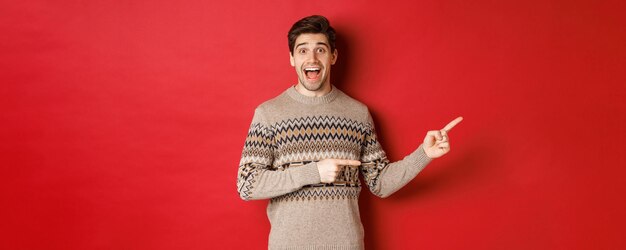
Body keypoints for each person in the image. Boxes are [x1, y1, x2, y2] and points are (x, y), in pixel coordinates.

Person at [237, 15, 463, 250]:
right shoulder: (269, 114)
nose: (312, 58)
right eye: (302, 51)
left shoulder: (357, 114)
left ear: (333, 56)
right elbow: (246, 184)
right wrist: (314, 172)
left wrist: (424, 153)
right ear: (292, 58)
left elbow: (380, 183)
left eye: (320, 50)